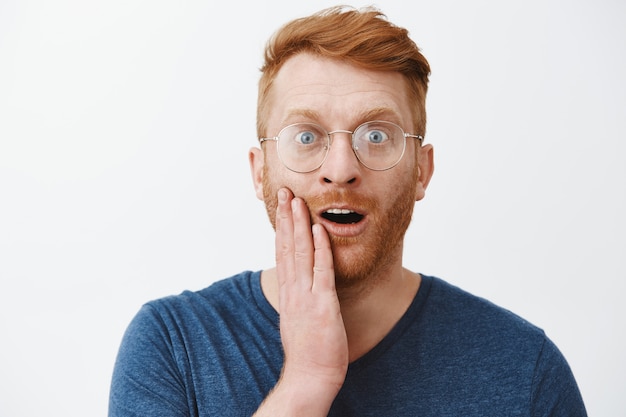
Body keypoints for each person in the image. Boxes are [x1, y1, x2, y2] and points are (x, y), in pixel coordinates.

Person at [109, 6, 587, 416]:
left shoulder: (525, 370)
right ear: (260, 172)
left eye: (376, 136)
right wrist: (305, 382)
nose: (340, 170)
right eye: (306, 137)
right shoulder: (172, 345)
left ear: (422, 170)